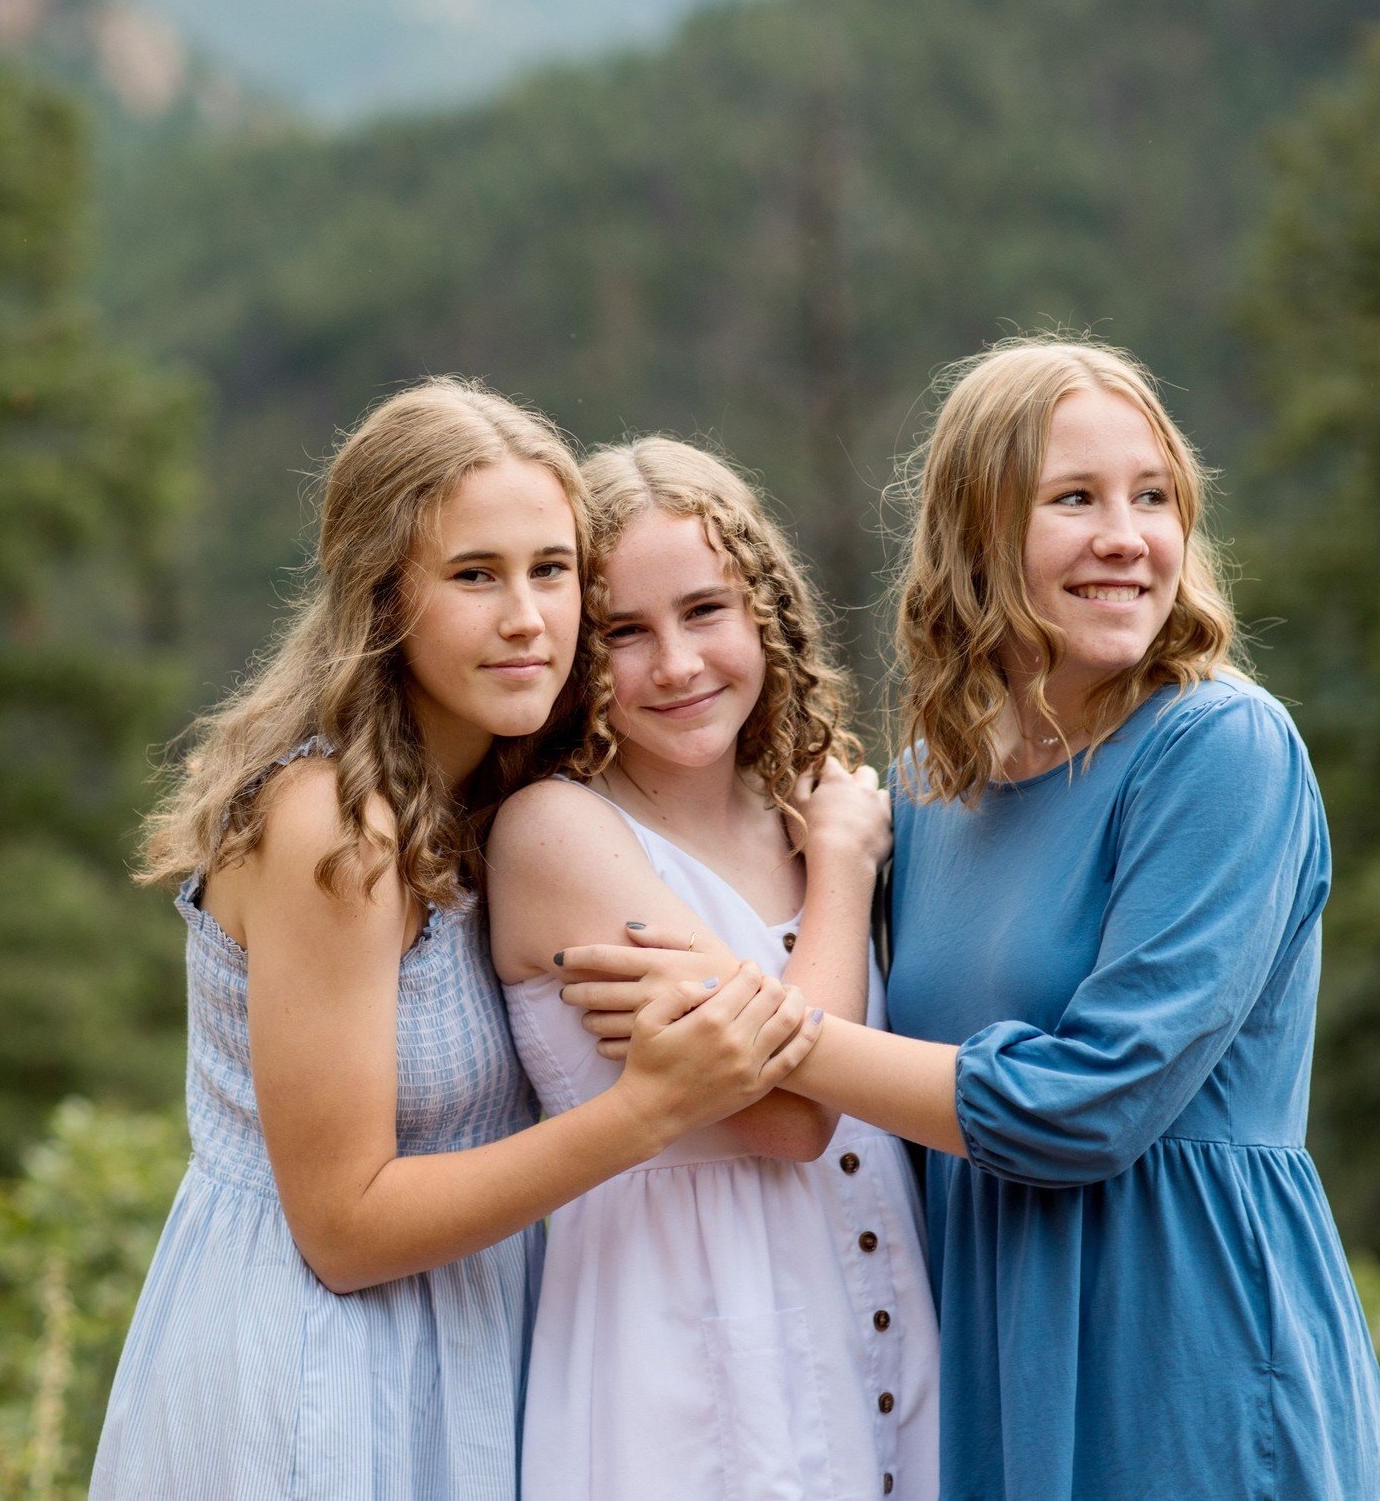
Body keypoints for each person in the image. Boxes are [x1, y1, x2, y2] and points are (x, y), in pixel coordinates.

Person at [558, 341, 1380, 1500]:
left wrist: (754, 1026)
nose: (1125, 535)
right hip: (988, 1349)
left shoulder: (1220, 750)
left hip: (1185, 1350)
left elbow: (1089, 1106)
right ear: (978, 533)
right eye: (1074, 499)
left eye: (1153, 496)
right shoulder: (928, 793)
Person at [90, 381, 820, 1501]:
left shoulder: (501, 788)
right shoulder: (337, 822)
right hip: (319, 1371)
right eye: (475, 575)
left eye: (552, 569)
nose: (528, 615)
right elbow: (344, 1227)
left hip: (474, 1352)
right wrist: (646, 1110)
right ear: (384, 598)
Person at [488, 436, 940, 1501]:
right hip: (690, 1368)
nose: (679, 665)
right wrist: (839, 867)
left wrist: (823, 843)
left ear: (765, 615)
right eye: (623, 634)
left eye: (704, 611)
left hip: (874, 1334)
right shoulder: (558, 833)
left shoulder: (803, 805)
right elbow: (789, 1115)